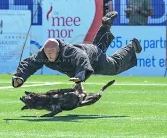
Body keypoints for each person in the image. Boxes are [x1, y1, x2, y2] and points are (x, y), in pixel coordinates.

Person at [12, 11, 142, 88]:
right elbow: (29, 63)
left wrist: (80, 76)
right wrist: (19, 76)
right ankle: (105, 25)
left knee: (114, 67)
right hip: (89, 50)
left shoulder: (69, 52)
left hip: (91, 56)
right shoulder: (44, 53)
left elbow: (82, 59)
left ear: (58, 50)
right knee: (99, 48)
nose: (49, 56)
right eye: (47, 53)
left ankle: (132, 46)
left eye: (51, 53)